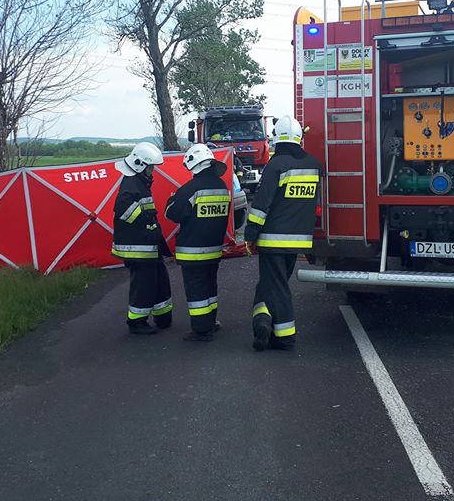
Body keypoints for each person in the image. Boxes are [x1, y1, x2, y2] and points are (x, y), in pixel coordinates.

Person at [244, 115, 321, 351]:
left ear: (276, 139)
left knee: (276, 286)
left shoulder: (276, 165)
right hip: (299, 240)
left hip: (272, 240)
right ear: (299, 138)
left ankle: (285, 335)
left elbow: (260, 205)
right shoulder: (314, 164)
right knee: (273, 284)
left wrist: (250, 234)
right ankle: (264, 321)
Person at [165, 144, 231, 342]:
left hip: (193, 251)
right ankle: (211, 321)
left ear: (193, 165)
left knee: (197, 290)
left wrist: (172, 201)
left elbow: (173, 214)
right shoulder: (221, 187)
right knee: (210, 287)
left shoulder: (190, 189)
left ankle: (202, 330)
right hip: (214, 249)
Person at [112, 142, 173, 335]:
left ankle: (163, 317)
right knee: (144, 285)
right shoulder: (131, 185)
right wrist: (145, 219)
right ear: (140, 164)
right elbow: (123, 209)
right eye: (150, 167)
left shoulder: (139, 182)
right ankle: (136, 322)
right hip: (138, 247)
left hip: (147, 244)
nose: (152, 170)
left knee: (159, 280)